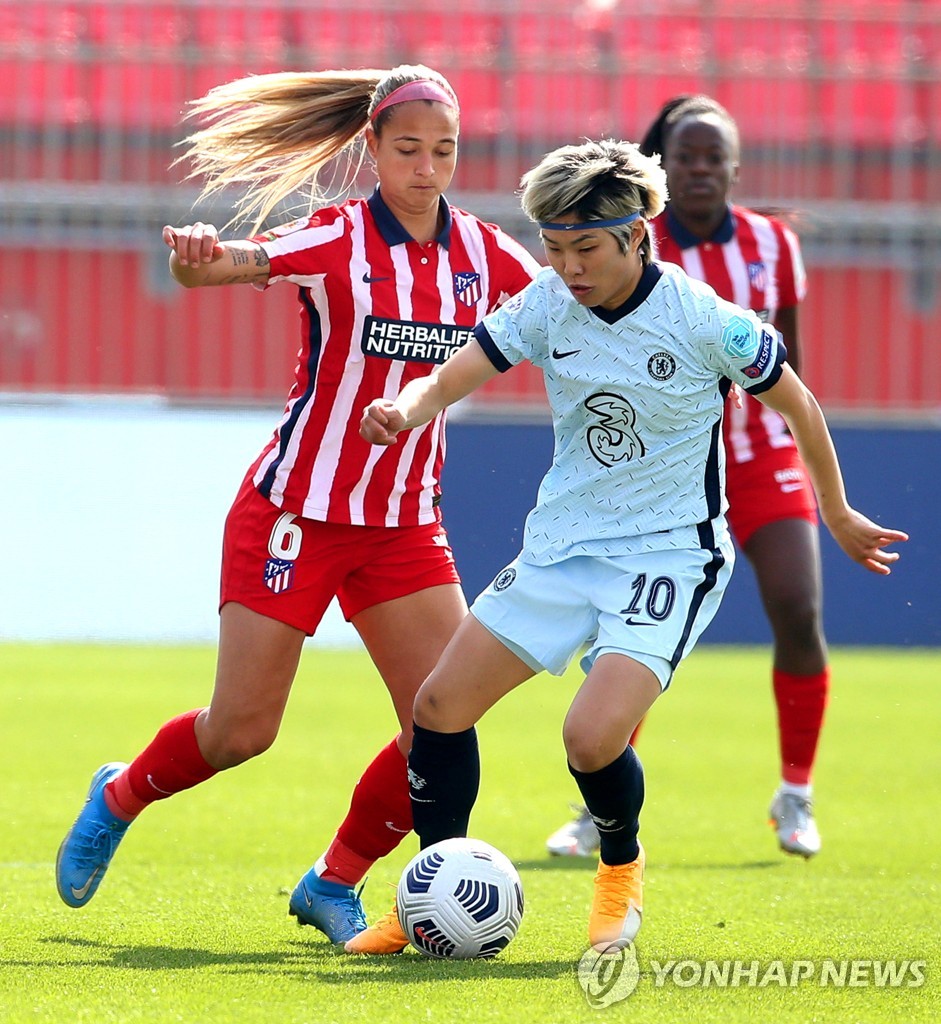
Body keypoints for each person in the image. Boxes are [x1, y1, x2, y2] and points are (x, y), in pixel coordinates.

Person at [354, 138, 906, 953]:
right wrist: (406, 409)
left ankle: (619, 872)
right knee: (436, 709)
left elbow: (799, 405)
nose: (568, 266)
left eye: (585, 248)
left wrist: (835, 508)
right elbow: (450, 376)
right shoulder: (546, 304)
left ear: (636, 234)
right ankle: (430, 896)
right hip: (561, 548)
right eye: (554, 247)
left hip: (668, 556)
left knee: (589, 735)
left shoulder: (704, 320)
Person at [53, 64, 540, 949]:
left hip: (402, 526)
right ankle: (120, 794)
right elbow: (234, 267)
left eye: (444, 151)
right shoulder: (337, 238)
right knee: (242, 730)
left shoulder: (485, 254)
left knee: (441, 719)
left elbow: (561, 310)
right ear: (372, 150)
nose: (427, 168)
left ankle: (332, 880)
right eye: (408, 150)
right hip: (295, 511)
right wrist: (196, 255)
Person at [546, 94, 835, 861]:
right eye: (686, 156)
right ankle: (594, 807)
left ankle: (795, 796)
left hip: (756, 457)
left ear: (735, 168)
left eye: (714, 157)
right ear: (663, 168)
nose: (700, 169)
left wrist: (811, 471)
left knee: (798, 609)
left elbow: (790, 366)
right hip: (666, 465)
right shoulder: (634, 244)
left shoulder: (773, 245)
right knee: (631, 638)